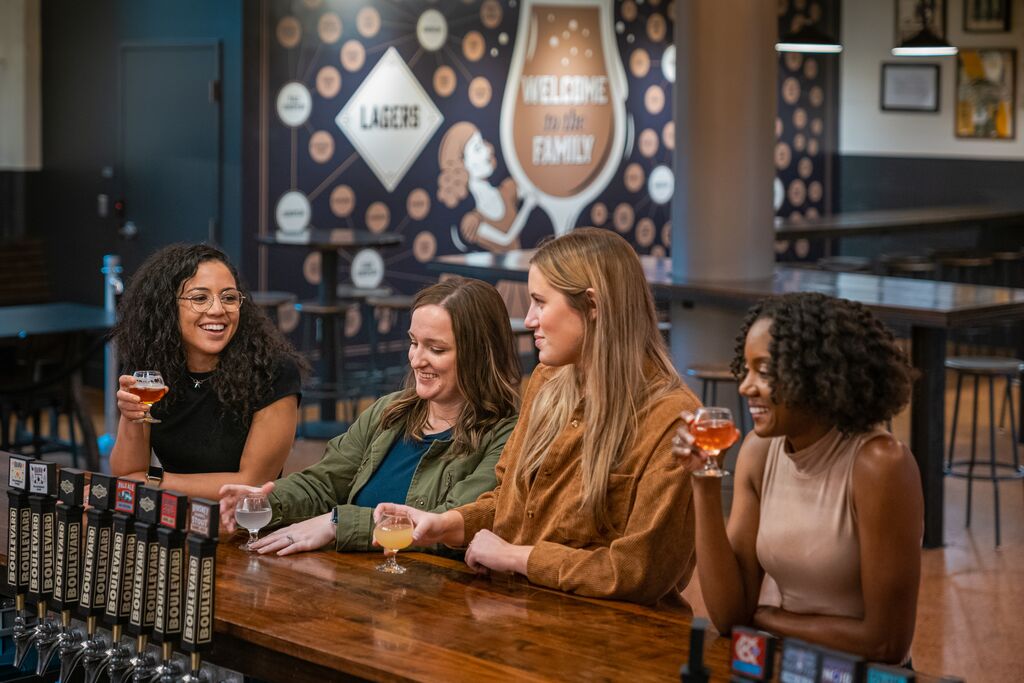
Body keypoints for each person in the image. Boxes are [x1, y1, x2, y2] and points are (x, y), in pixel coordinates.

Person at [376, 228, 701, 606]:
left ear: (592, 306)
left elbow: (636, 571)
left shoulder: (672, 417)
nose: (528, 319)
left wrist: (518, 557)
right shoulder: (546, 383)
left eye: (540, 303)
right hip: (511, 612)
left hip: (610, 638)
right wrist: (446, 524)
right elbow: (508, 503)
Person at [673, 292, 922, 663]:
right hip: (786, 665)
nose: (745, 386)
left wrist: (771, 620)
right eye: (747, 368)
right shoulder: (759, 452)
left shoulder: (880, 464)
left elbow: (885, 643)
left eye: (766, 371)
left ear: (818, 374)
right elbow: (729, 616)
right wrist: (705, 481)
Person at [219, 277, 521, 555]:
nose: (416, 359)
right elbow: (325, 482)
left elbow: (441, 525)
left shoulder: (507, 435)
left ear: (480, 355)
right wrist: (263, 501)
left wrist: (338, 523)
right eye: (414, 343)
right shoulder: (390, 410)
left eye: (436, 349)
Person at [110, 243, 305, 499]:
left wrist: (153, 482)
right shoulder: (151, 367)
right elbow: (126, 474)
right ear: (167, 307)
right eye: (200, 298)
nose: (217, 310)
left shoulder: (272, 371)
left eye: (229, 298)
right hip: (173, 518)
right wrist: (131, 416)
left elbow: (252, 484)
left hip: (242, 526)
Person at [437, 121, 536, 252]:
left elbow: (531, 187)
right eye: (478, 148)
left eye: (483, 143)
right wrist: (528, 207)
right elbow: (506, 241)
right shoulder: (472, 221)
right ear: (462, 163)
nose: (487, 150)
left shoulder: (507, 190)